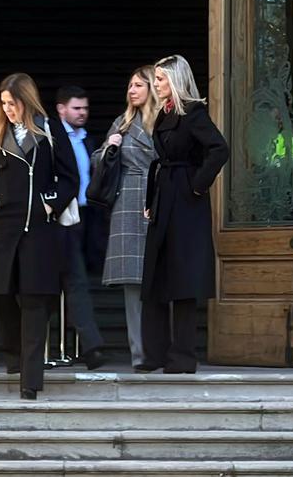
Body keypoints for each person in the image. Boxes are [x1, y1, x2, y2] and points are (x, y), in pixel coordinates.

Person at [0, 73, 78, 400]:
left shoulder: (50, 130)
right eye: (3, 104)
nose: (7, 110)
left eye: (12, 104)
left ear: (27, 101)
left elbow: (69, 177)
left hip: (38, 231)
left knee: (35, 301)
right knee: (1, 297)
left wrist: (50, 205)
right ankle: (15, 357)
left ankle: (30, 380)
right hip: (2, 230)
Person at [139, 54, 229, 373]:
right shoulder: (163, 114)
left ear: (175, 81)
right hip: (165, 198)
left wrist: (197, 185)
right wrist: (152, 199)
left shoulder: (193, 113)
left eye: (161, 79)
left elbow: (219, 149)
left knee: (182, 278)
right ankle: (156, 354)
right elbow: (160, 161)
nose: (156, 84)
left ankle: (183, 356)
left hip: (186, 203)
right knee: (157, 273)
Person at [92, 66, 158, 371]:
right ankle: (140, 353)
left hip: (159, 195)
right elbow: (98, 159)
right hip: (128, 200)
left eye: (138, 85)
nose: (131, 90)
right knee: (133, 283)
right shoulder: (122, 122)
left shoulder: (165, 121)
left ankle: (161, 347)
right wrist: (110, 148)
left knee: (161, 278)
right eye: (129, 85)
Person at [55, 85, 106, 370]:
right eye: (76, 108)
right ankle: (89, 345)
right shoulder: (52, 137)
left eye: (85, 108)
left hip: (87, 216)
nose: (82, 113)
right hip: (63, 218)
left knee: (81, 278)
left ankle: (83, 343)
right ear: (62, 109)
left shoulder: (88, 140)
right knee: (74, 281)